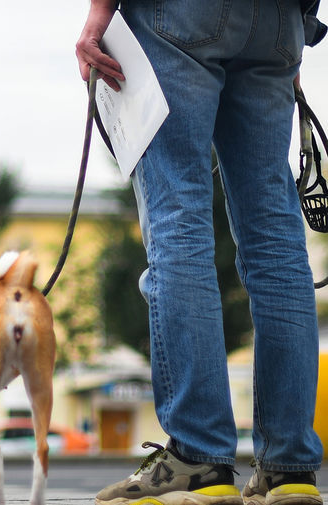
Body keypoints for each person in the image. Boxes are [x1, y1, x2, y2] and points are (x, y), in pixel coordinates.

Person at [76, 2, 326, 505]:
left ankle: (197, 458)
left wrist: (98, 15)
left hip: (179, 16)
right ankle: (289, 469)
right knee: (276, 239)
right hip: (278, 21)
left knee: (178, 224)